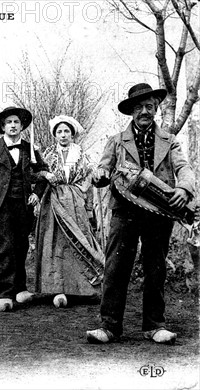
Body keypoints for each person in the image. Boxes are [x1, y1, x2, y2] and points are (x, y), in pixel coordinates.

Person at [86, 83, 194, 345]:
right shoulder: (116, 141)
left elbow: (184, 169)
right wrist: (99, 175)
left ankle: (155, 326)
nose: (144, 111)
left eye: (149, 107)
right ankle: (109, 326)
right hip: (124, 211)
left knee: (155, 268)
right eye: (139, 108)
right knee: (115, 267)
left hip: (159, 214)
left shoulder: (170, 141)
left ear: (156, 109)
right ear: (131, 112)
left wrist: (184, 188)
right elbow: (102, 169)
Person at [0, 106, 48, 311]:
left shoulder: (29, 148)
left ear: (22, 125)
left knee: (21, 246)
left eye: (17, 122)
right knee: (4, 247)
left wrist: (37, 193)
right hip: (1, 206)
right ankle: (5, 293)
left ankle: (20, 288)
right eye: (9, 122)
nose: (13, 125)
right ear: (2, 126)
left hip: (23, 205)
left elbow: (44, 172)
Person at [33, 116, 104, 308]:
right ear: (55, 135)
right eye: (59, 132)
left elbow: (89, 178)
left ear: (72, 134)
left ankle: (81, 288)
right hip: (53, 201)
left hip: (74, 201)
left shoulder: (82, 155)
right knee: (55, 242)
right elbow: (36, 173)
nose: (63, 135)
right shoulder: (48, 153)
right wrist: (45, 174)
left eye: (66, 131)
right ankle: (56, 287)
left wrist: (86, 200)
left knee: (77, 240)